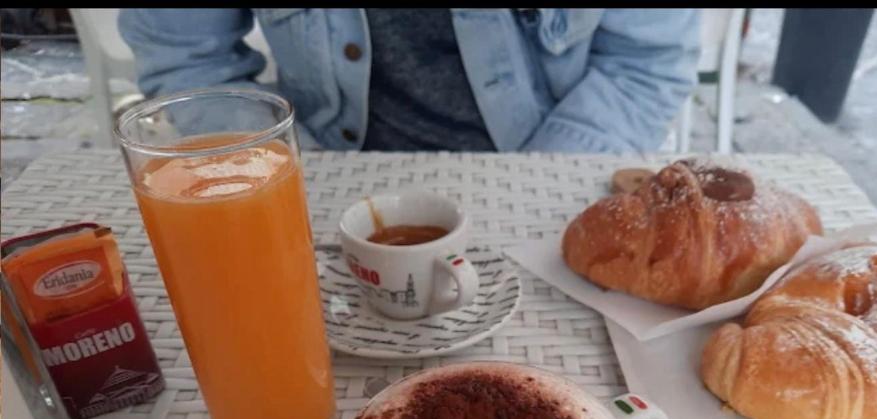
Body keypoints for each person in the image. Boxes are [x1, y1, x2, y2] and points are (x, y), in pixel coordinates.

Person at [119, 9, 701, 153]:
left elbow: (643, 66)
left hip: (554, 159)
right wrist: (274, 171)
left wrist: (541, 185)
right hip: (323, 170)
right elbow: (185, 55)